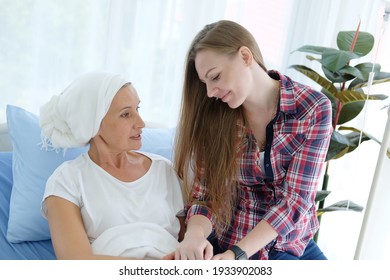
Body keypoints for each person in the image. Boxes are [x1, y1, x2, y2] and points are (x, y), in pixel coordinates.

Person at [171, 20, 332, 260]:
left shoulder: (312, 108)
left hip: (289, 242)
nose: (210, 93)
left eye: (215, 77)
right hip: (229, 242)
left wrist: (237, 254)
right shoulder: (216, 115)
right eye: (205, 83)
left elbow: (296, 201)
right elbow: (206, 196)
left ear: (245, 56)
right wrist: (194, 237)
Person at [39, 72, 184, 260]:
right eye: (126, 114)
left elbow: (189, 243)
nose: (141, 123)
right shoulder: (66, 180)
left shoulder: (164, 170)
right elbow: (75, 262)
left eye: (137, 109)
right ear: (94, 123)